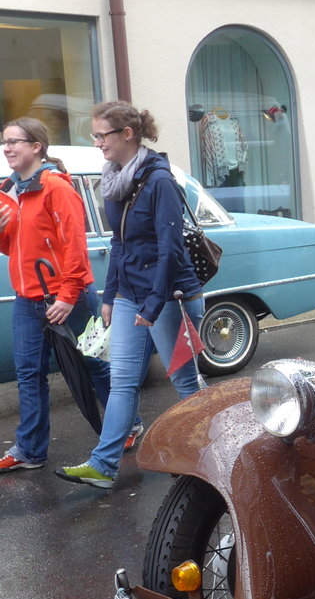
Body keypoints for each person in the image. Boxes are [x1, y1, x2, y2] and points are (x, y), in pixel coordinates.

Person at [56, 101, 205, 490]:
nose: (97, 143)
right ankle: (103, 465)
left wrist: (155, 303)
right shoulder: (114, 179)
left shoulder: (159, 180)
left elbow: (170, 248)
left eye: (102, 135)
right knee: (121, 380)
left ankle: (209, 453)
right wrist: (111, 295)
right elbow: (120, 243)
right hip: (129, 295)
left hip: (169, 295)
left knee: (185, 382)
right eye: (95, 136)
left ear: (127, 134)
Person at [0, 117, 140, 474]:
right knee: (29, 373)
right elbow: (13, 249)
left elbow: (74, 245)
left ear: (37, 147)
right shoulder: (9, 191)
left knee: (93, 363)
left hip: (68, 297)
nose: (7, 148)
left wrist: (67, 294)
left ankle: (127, 426)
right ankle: (30, 450)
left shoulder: (56, 188)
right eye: (5, 142)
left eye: (15, 141)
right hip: (28, 299)